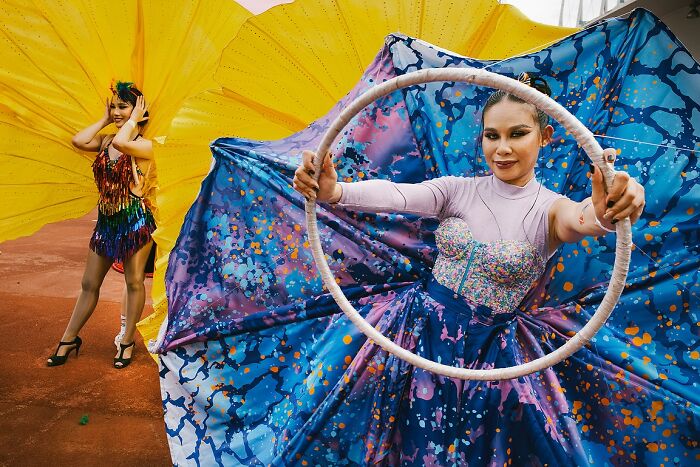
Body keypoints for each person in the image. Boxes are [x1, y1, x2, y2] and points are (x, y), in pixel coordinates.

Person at [290, 74, 646, 464]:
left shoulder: (553, 208)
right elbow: (398, 195)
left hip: (488, 357)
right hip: (414, 335)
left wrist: (612, 208)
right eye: (492, 136)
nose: (503, 148)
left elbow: (584, 218)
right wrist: (334, 192)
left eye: (518, 134)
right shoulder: (457, 190)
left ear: (545, 137)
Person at [47, 81, 156, 369]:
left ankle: (127, 341)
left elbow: (123, 143)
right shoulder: (106, 140)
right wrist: (106, 119)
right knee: (88, 283)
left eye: (123, 106)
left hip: (136, 221)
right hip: (107, 222)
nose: (117, 111)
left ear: (139, 110)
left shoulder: (147, 143)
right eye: (114, 106)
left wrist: (131, 122)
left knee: (133, 282)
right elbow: (78, 140)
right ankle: (69, 339)